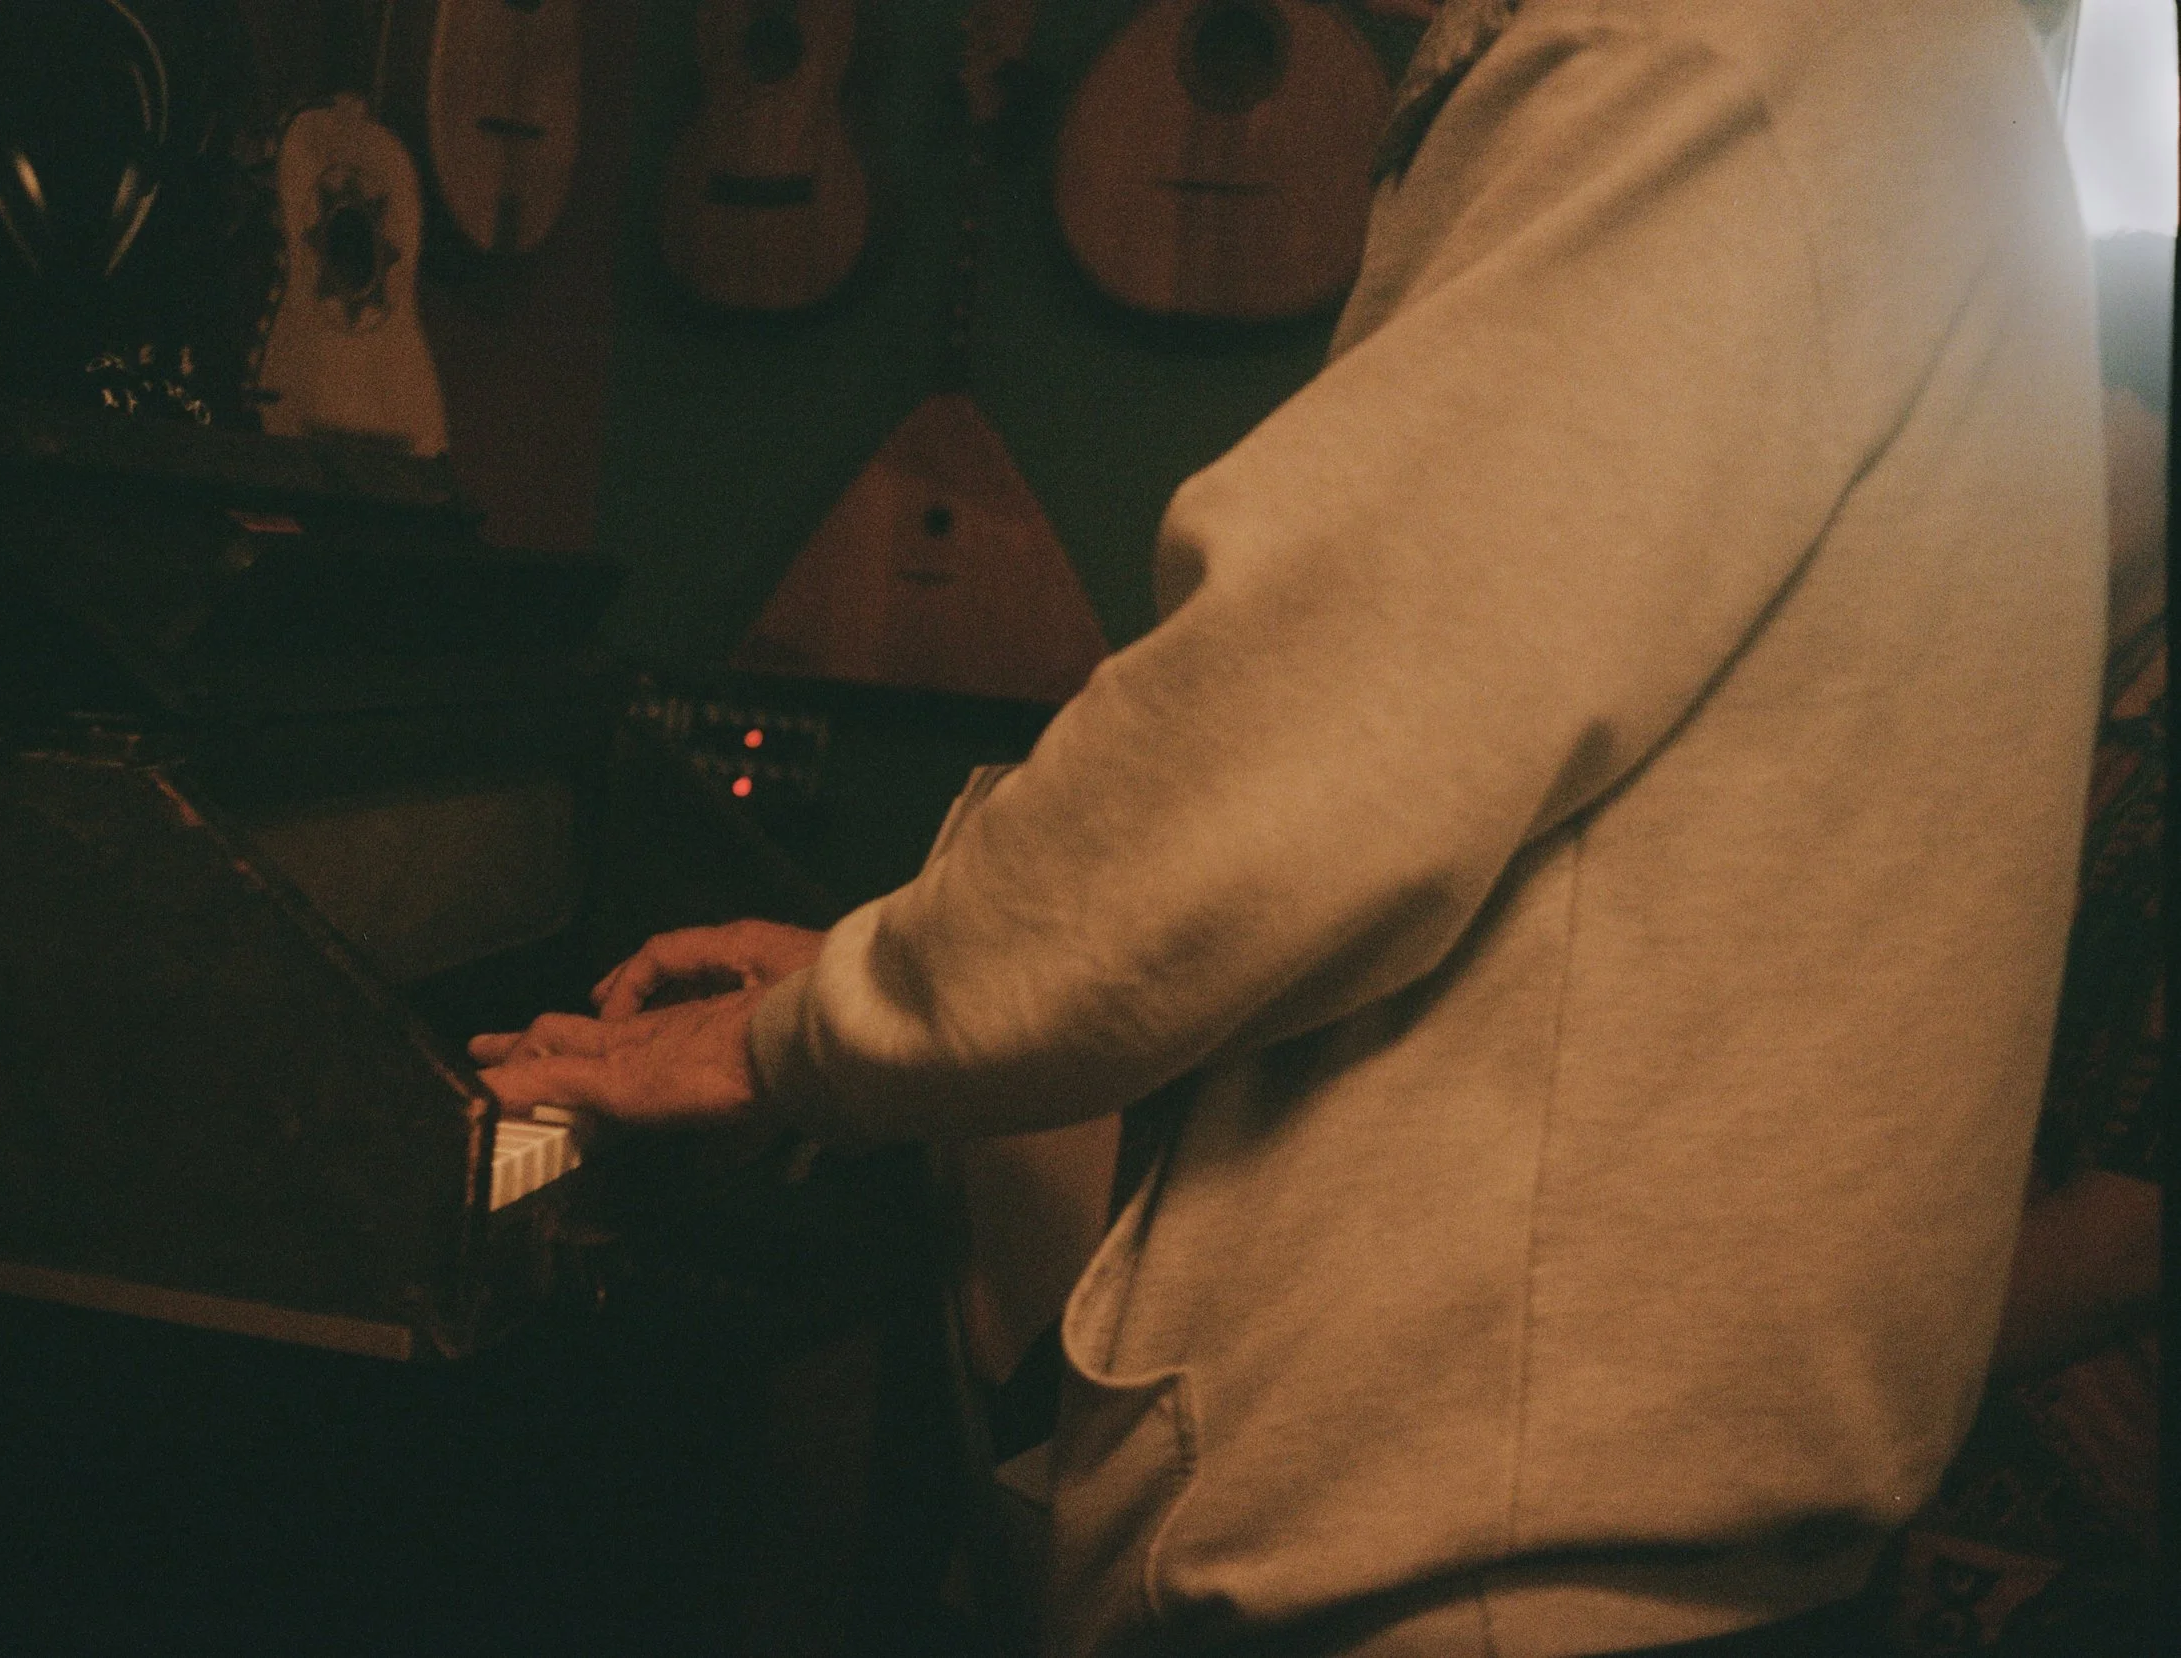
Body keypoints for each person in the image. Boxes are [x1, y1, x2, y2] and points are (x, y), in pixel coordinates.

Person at [475, 2, 2112, 1654]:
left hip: (1491, 1587)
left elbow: (1304, 741)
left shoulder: (1721, 44)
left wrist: (808, 1036)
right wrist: (879, 971)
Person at [1872, 230, 2168, 1658]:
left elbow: (2129, 1230)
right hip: (1892, 1442)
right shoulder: (1963, 716)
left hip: (2068, 1510)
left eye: (2084, 400)